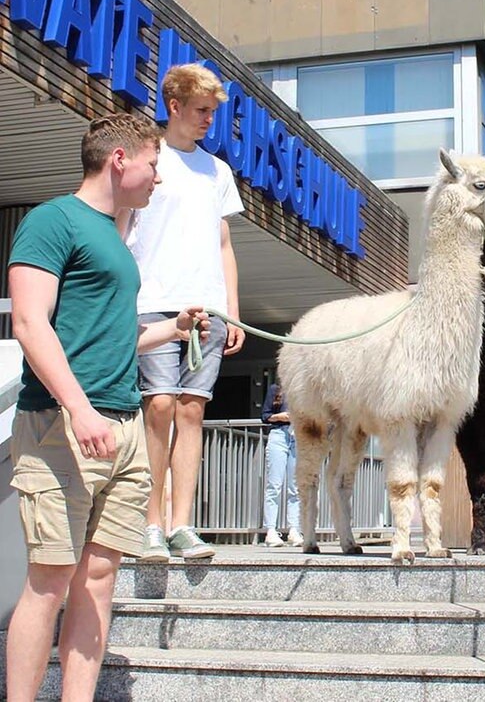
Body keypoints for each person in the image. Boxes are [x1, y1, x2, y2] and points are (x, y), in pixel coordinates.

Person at [5, 114, 210, 702]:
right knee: (49, 580)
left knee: (99, 580)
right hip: (61, 427)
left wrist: (172, 327)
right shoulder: (52, 221)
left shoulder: (117, 240)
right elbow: (28, 322)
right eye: (153, 164)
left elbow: (113, 336)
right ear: (120, 159)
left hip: (122, 428)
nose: (158, 180)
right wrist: (79, 409)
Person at [124, 63, 246, 562]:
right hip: (153, 301)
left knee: (192, 410)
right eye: (201, 111)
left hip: (208, 307)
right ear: (173, 106)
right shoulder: (147, 161)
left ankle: (181, 524)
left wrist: (232, 309)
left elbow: (223, 241)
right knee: (158, 407)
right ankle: (149, 523)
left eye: (213, 113)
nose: (207, 121)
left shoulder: (217, 171)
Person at [261, 383, 302, 547]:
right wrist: (281, 416)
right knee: (274, 485)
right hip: (279, 434)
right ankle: (270, 530)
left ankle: (294, 530)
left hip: (298, 435)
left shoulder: (304, 389)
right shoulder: (275, 389)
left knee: (296, 487)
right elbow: (265, 416)